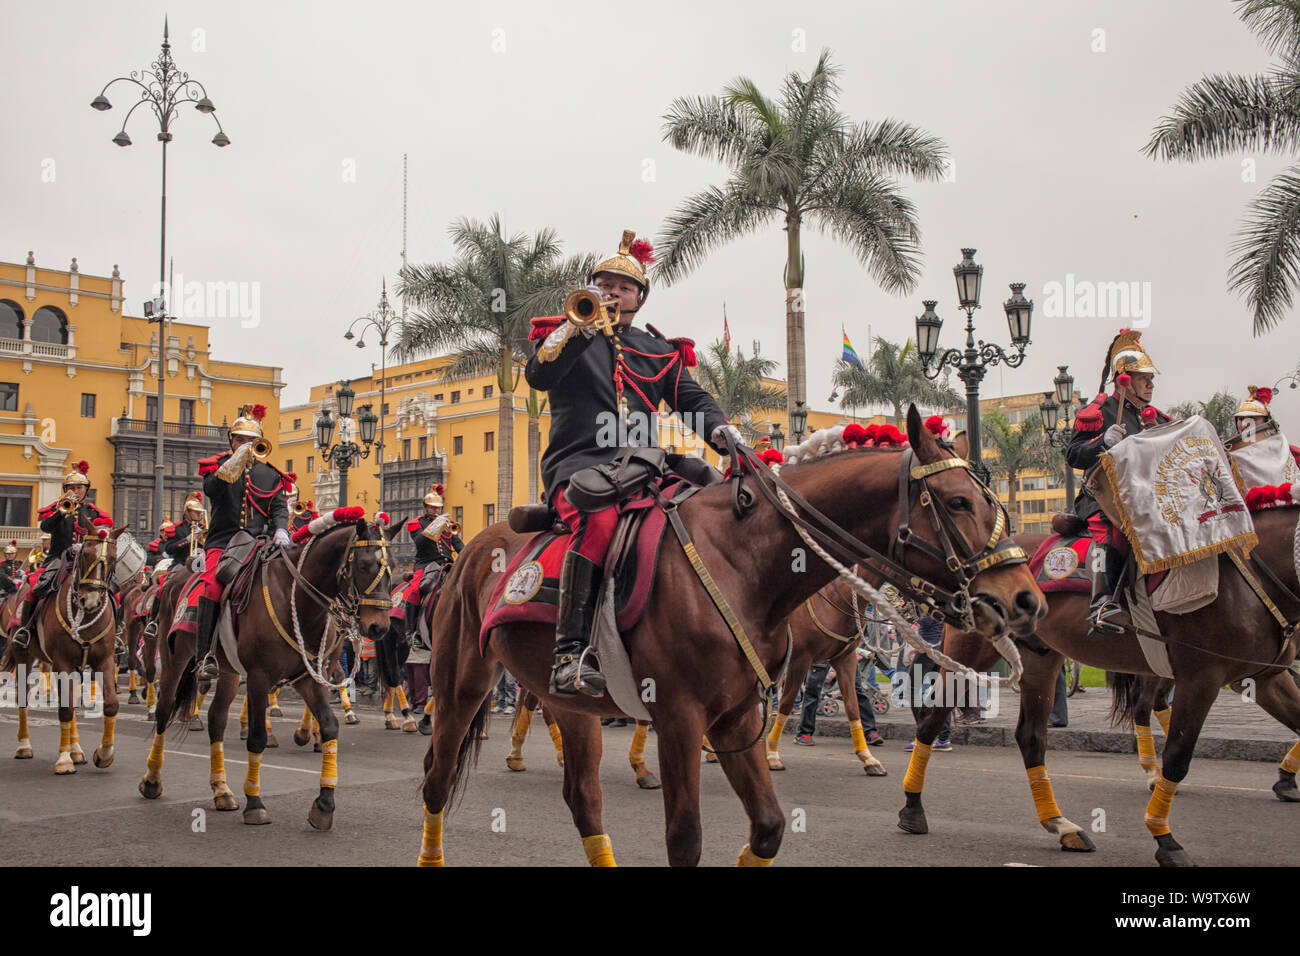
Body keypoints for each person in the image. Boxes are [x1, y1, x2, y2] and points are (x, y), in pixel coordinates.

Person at [525, 229, 736, 697]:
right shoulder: (565, 334)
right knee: (598, 520)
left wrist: (723, 433)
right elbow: (539, 375)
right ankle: (570, 653)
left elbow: (691, 400)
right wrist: (579, 326)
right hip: (578, 464)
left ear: (640, 297)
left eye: (623, 287)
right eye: (604, 283)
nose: (612, 291)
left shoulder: (659, 351)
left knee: (714, 504)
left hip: (644, 466)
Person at [1065, 330, 1172, 636]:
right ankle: (1101, 604)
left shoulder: (1157, 419)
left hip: (1148, 499)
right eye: (1143, 378)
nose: (1150, 384)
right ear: (1123, 379)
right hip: (1104, 498)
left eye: (1151, 378)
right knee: (1111, 531)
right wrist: (1102, 441)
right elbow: (1073, 455)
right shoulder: (1098, 411)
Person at [189, 404, 291, 682]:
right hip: (223, 544)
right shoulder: (217, 468)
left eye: (251, 441)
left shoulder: (270, 474)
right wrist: (234, 461)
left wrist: (281, 529)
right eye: (240, 440)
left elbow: (279, 507)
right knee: (210, 586)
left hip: (259, 544)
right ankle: (205, 655)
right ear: (231, 441)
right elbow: (212, 490)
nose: (246, 445)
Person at [11, 461, 114, 646]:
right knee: (35, 586)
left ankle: (117, 630)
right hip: (58, 558)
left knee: (113, 587)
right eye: (71, 487)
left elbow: (104, 531)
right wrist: (61, 511)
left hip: (86, 561)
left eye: (79, 487)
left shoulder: (93, 512)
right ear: (65, 490)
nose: (75, 491)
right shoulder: (57, 508)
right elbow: (45, 526)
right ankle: (25, 630)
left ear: (86, 490)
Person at [793, 656, 885, 747]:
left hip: (845, 650)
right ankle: (804, 732)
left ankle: (870, 731)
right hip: (822, 650)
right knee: (813, 690)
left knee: (856, 690)